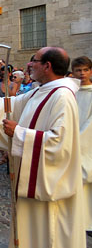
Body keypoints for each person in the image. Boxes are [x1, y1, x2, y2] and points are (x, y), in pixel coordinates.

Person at [0, 47, 85, 248]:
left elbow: (60, 143)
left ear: (47, 66)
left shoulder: (62, 96)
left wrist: (20, 133)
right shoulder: (42, 90)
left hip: (49, 193)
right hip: (33, 185)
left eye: (35, 61)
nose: (30, 64)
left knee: (49, 238)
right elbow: (9, 105)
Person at [72, 56, 92, 233]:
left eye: (85, 70)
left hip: (87, 144)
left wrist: (78, 139)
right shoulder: (71, 93)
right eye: (78, 70)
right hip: (72, 143)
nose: (82, 74)